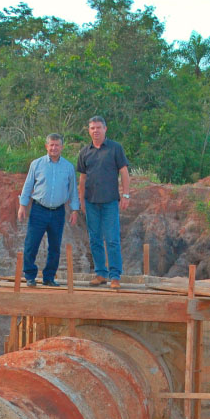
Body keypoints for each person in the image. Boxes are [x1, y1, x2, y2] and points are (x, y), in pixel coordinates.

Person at [18, 133, 79, 287]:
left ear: (62, 147)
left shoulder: (68, 167)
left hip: (58, 212)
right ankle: (30, 276)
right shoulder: (36, 164)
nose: (54, 148)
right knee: (32, 244)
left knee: (55, 246)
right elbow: (28, 186)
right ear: (46, 146)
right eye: (51, 145)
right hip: (39, 210)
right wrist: (22, 206)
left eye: (57, 145)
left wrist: (74, 210)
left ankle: (49, 277)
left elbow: (73, 191)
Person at [77, 116, 130, 290]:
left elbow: (124, 172)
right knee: (95, 240)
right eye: (92, 128)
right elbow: (82, 179)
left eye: (98, 127)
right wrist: (81, 200)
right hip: (91, 202)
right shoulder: (85, 152)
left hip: (110, 202)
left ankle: (115, 276)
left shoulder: (115, 148)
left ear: (105, 129)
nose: (95, 131)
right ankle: (101, 273)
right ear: (89, 130)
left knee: (112, 240)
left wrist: (126, 195)